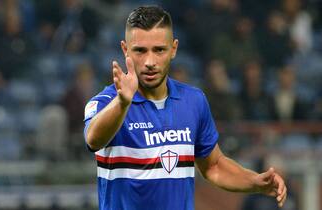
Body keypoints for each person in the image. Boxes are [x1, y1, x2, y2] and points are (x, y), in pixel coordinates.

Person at [83, 6, 287, 210]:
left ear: (174, 49)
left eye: (159, 50)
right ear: (125, 49)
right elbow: (94, 139)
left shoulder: (194, 101)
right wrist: (122, 103)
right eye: (140, 50)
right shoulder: (107, 102)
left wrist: (254, 182)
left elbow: (214, 166)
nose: (150, 62)